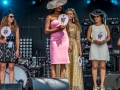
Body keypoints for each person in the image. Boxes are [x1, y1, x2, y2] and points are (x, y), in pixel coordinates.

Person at [45, 0, 69, 78]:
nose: (60, 7)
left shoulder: (63, 16)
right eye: (58, 5)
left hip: (64, 39)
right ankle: (55, 84)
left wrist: (70, 44)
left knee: (63, 62)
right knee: (54, 62)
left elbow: (67, 30)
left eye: (61, 5)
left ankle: (62, 83)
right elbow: (46, 31)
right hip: (54, 40)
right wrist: (58, 29)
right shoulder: (49, 16)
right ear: (54, 7)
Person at [87, 9, 110, 90]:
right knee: (94, 66)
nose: (95, 18)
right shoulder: (91, 27)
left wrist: (104, 41)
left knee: (103, 66)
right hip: (94, 46)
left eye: (97, 17)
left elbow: (109, 38)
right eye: (94, 17)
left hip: (103, 46)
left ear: (101, 18)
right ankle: (95, 85)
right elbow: (88, 38)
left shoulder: (105, 26)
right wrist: (94, 41)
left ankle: (102, 85)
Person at [65, 8, 84, 90]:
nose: (69, 15)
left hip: (75, 46)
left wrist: (80, 49)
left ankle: (74, 85)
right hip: (65, 45)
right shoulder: (63, 25)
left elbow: (78, 39)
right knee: (66, 64)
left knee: (74, 64)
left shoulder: (76, 26)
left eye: (71, 14)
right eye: (68, 14)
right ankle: (66, 84)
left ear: (73, 16)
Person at [0, 12, 20, 84]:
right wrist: (2, 41)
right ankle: (2, 85)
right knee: (2, 67)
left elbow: (17, 39)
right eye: (11, 16)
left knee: (11, 67)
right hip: (3, 48)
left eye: (13, 17)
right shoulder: (2, 27)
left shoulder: (15, 28)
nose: (12, 18)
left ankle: (11, 85)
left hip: (12, 48)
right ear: (7, 17)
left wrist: (17, 50)